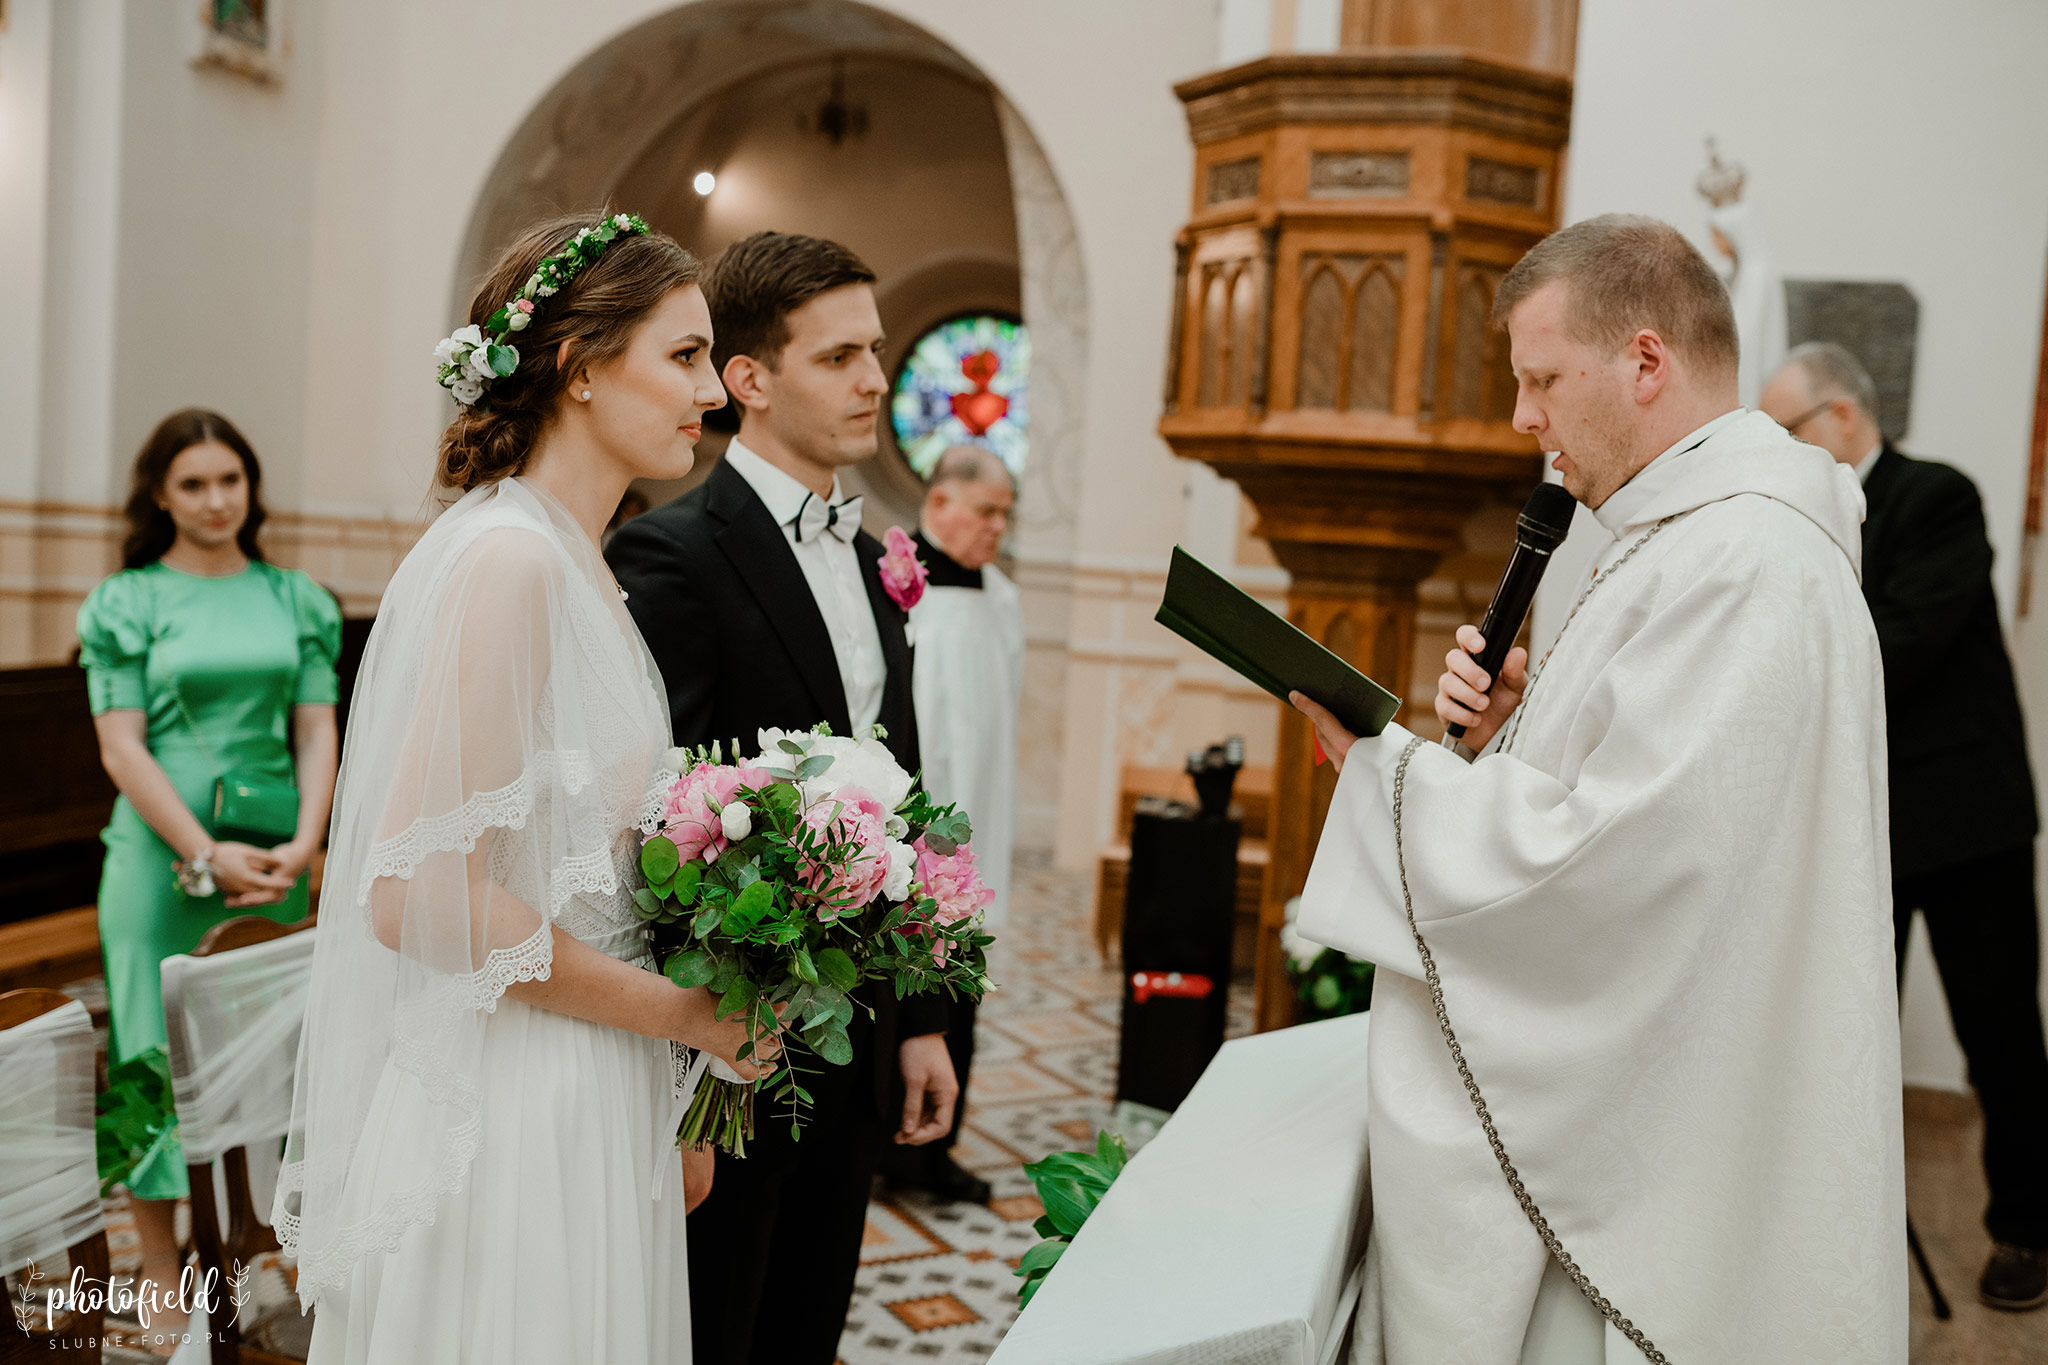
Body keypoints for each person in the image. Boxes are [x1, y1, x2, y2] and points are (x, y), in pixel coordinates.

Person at [1289, 214, 1906, 1361]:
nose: (1523, 418)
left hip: (1670, 1146)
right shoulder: (1687, 540)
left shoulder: (1740, 561)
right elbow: (1649, 808)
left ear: (1642, 362)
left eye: (1540, 379)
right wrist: (1505, 740)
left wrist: (1387, 773)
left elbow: (1620, 871)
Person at [277, 211, 771, 1364]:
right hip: (514, 1107)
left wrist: (672, 1077)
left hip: (590, 1077)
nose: (712, 389)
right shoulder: (506, 562)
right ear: (583, 366)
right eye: (685, 356)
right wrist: (680, 1019)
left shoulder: (580, 560)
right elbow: (415, 895)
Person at [606, 230, 958, 1365]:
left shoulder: (873, 564)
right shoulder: (671, 556)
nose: (873, 379)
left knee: (807, 1328)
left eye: (878, 351)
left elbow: (900, 807)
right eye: (840, 355)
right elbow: (649, 839)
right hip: (730, 1044)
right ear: (748, 381)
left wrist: (922, 1023)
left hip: (855, 1044)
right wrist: (677, 1082)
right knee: (714, 1332)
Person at [1761, 341, 2048, 1311]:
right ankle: (1835, 1226)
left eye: (1784, 432)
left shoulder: (1937, 497)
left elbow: (1900, 642)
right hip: (1861, 825)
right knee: (1844, 1030)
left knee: (1998, 1033)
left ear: (1840, 418)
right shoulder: (1790, 521)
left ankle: (2024, 1230)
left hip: (1966, 823)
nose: (1774, 452)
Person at [79, 407, 341, 1328]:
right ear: (160, 494)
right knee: (149, 1054)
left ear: (250, 486)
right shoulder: (128, 600)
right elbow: (121, 748)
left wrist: (310, 840)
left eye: (230, 479)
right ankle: (157, 1262)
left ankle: (262, 1245)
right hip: (161, 859)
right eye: (193, 483)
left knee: (279, 1051)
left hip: (278, 855)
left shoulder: (293, 597)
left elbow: (314, 726)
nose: (216, 499)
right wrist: (200, 848)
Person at [879, 443, 1024, 1206]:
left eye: (1007, 513)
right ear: (940, 504)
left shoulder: (1001, 595)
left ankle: (937, 1147)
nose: (999, 526)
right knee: (903, 978)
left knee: (960, 978)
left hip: (983, 815)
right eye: (988, 510)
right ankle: (886, 1137)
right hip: (915, 818)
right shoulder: (900, 590)